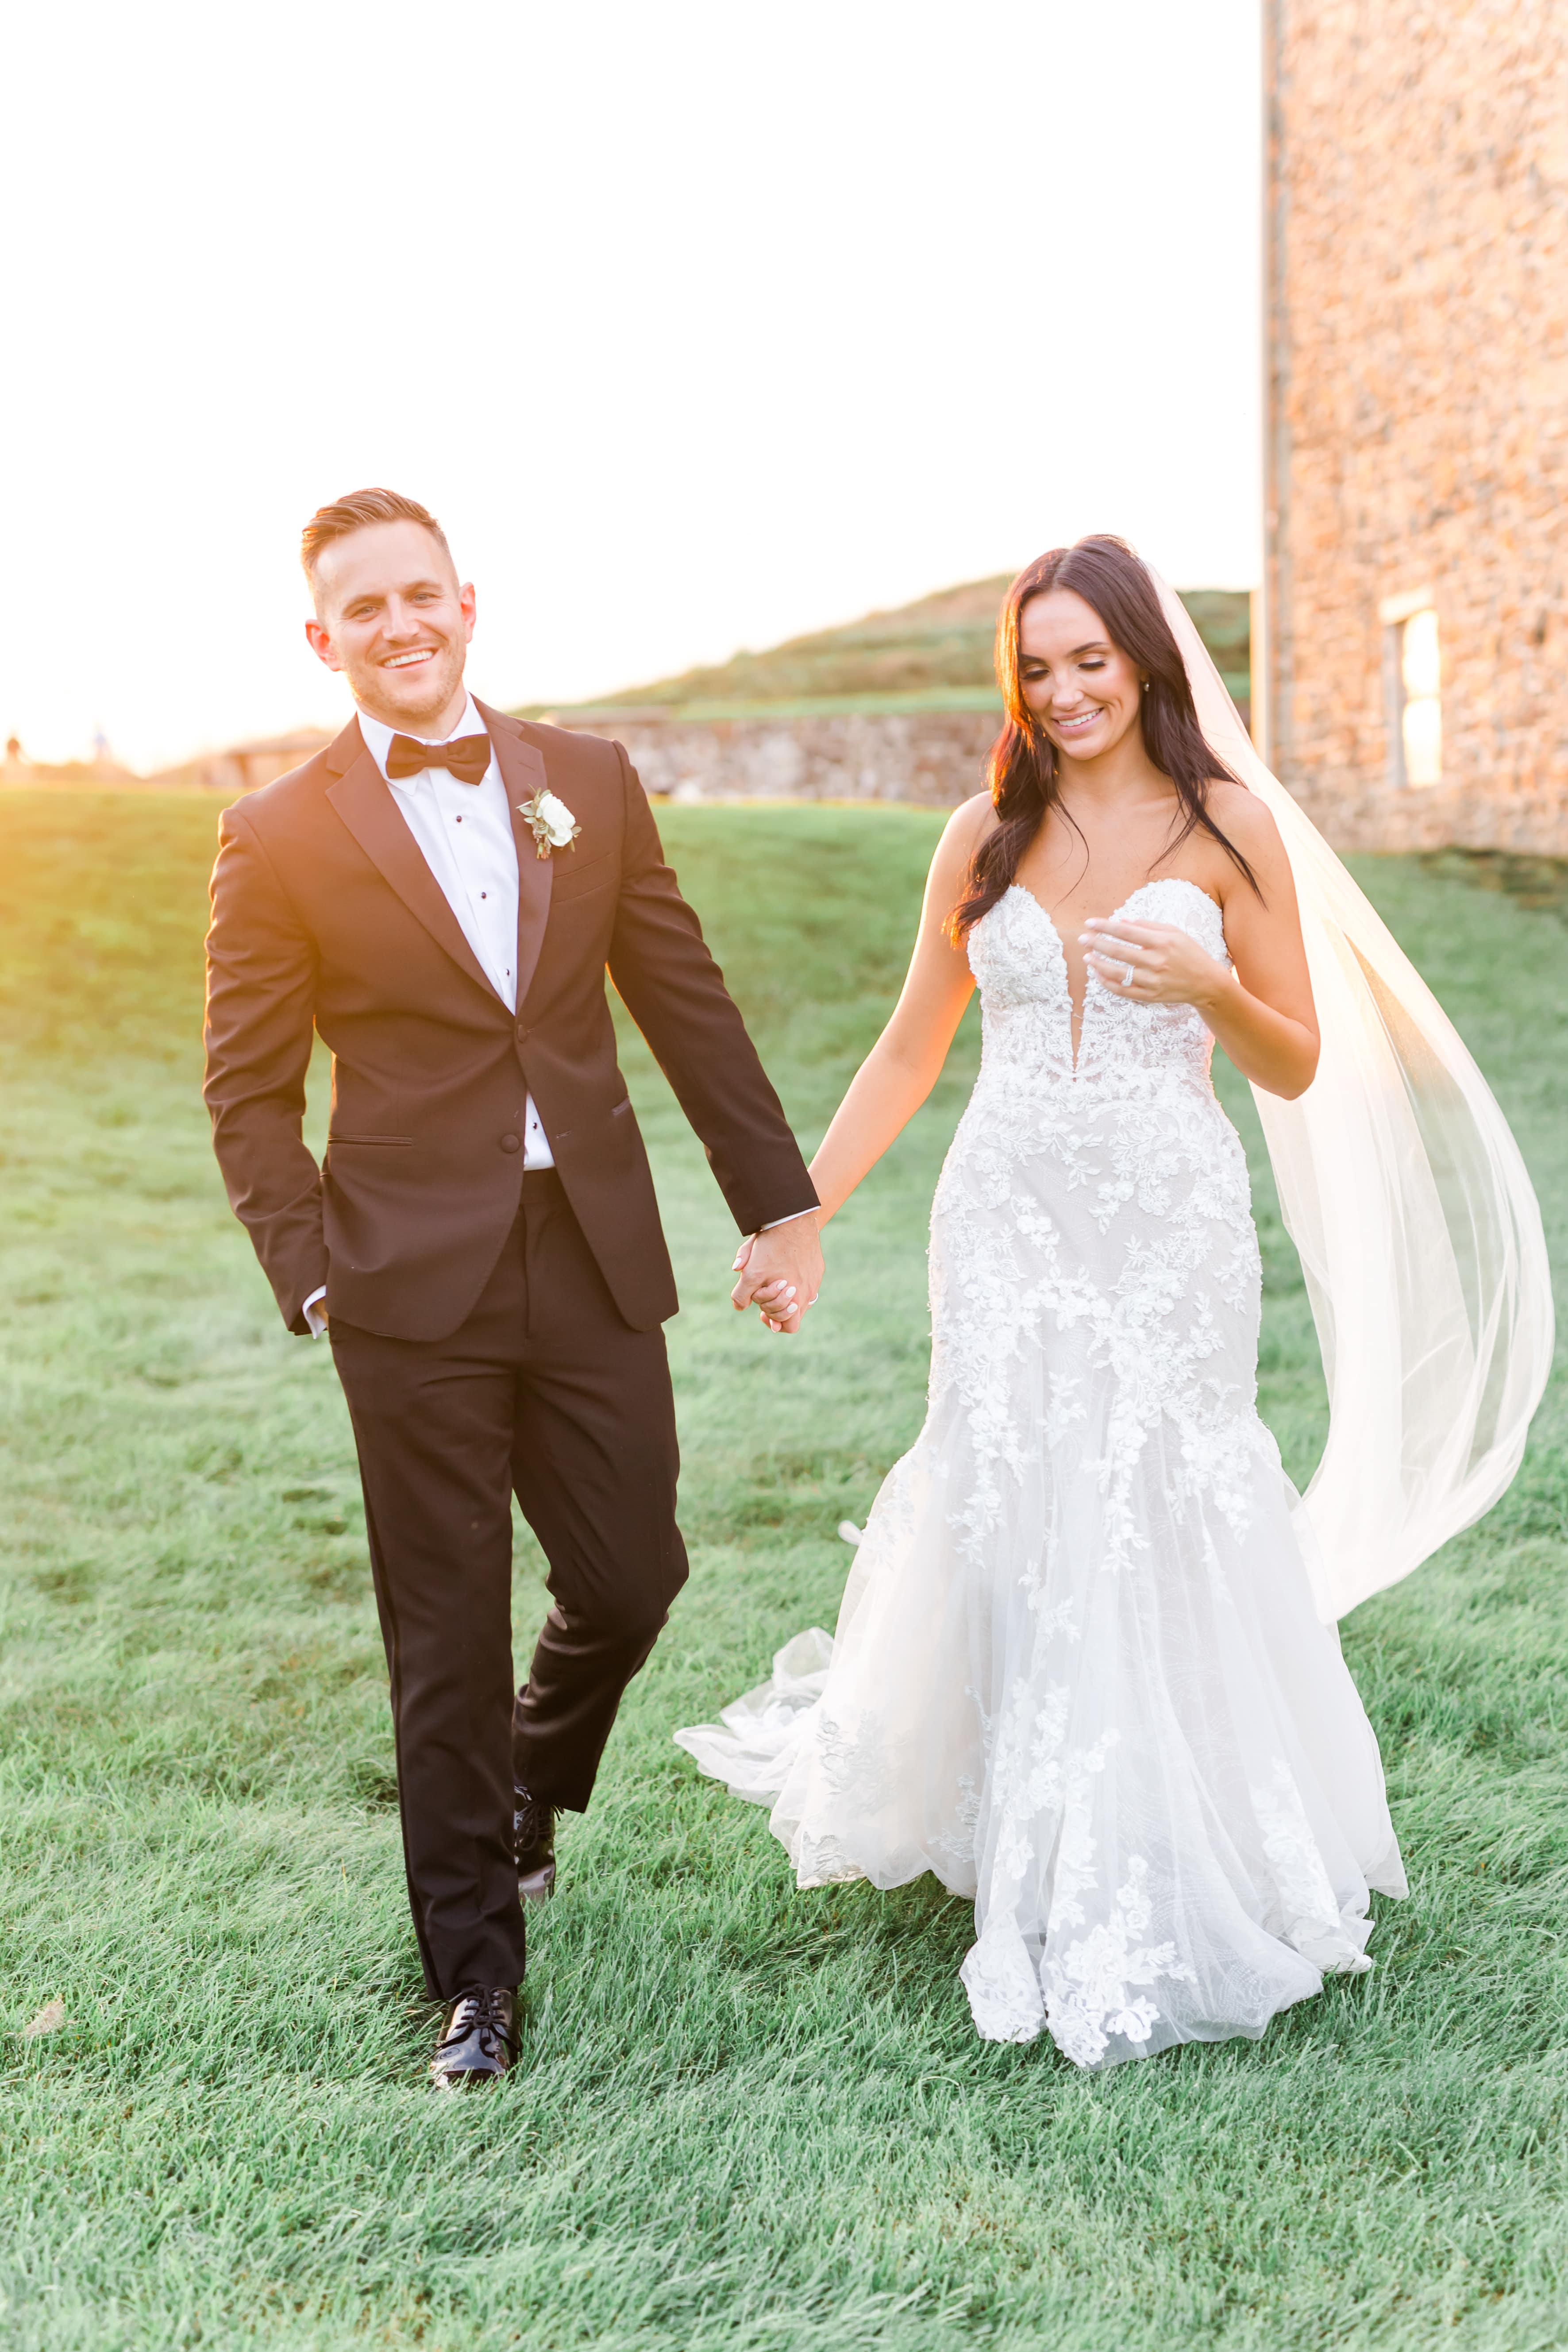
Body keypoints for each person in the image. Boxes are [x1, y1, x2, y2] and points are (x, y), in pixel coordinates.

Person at [679, 535, 1552, 2068]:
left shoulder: (1231, 830)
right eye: (1039, 663)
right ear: (1013, 679)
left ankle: (1172, 1817)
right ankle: (1009, 1806)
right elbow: (906, 1048)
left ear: (1147, 657)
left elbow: (1298, 1058)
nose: (1068, 689)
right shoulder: (983, 835)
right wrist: (798, 1211)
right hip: (1005, 1213)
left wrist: (1209, 987)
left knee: (1159, 1484)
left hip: (1168, 1220)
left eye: (1093, 657)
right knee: (1009, 1476)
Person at [204, 488, 823, 2089]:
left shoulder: (588, 783)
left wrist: (780, 1205)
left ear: (467, 601)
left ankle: (534, 1783)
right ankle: (476, 1978)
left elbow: (684, 997)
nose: (400, 625)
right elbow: (248, 1092)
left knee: (633, 1575)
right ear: (323, 637)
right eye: (365, 607)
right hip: (404, 1284)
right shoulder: (275, 833)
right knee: (443, 1639)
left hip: (593, 1252)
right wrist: (313, 1276)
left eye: (422, 593)